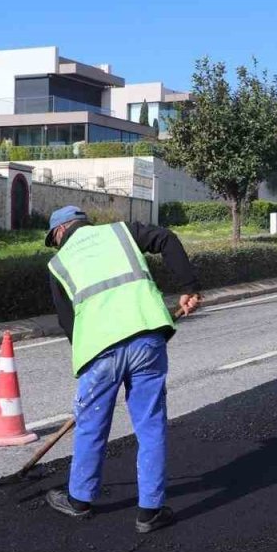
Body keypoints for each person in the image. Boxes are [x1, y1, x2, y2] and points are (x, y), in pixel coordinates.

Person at [42, 205, 202, 534]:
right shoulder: (120, 231)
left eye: (54, 239)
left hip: (99, 352)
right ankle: (149, 513)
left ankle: (79, 501)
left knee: (90, 425)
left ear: (60, 232)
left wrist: (91, 362)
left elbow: (67, 323)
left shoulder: (57, 263)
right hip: (146, 337)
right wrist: (189, 287)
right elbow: (167, 239)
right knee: (150, 423)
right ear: (83, 223)